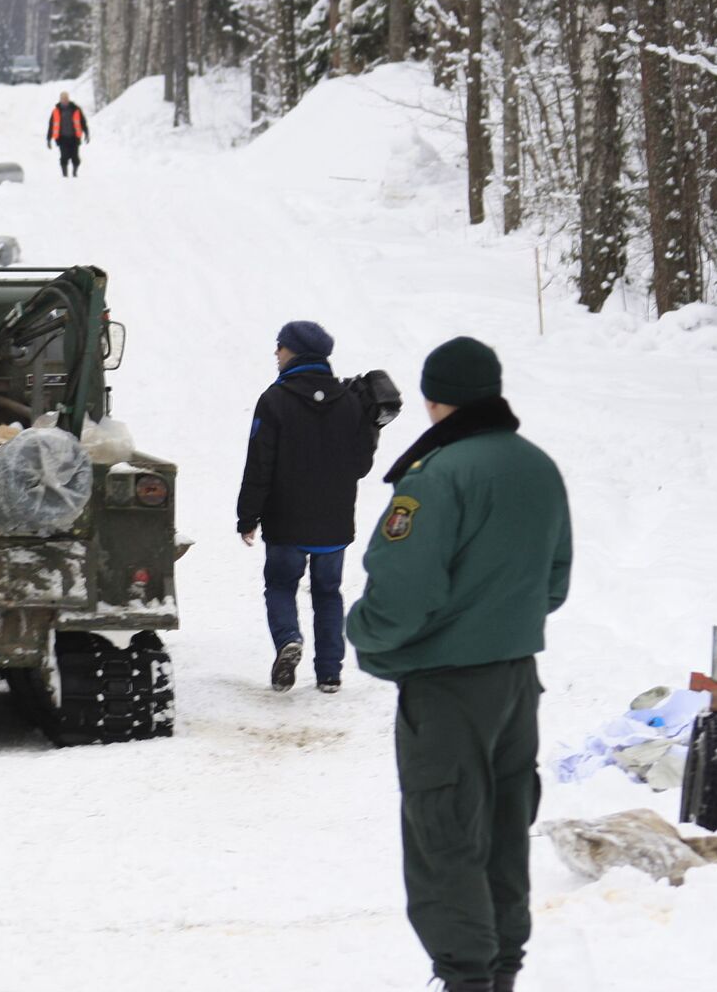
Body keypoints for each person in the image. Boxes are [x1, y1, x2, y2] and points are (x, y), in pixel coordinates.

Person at [345, 337, 571, 992]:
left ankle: (466, 979)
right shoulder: (539, 468)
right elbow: (553, 584)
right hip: (516, 680)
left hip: (447, 688)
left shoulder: (438, 477)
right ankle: (501, 974)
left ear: (433, 398)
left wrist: (367, 636)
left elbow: (401, 596)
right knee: (505, 829)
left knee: (444, 836)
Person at [236, 320, 379, 693]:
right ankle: (330, 673)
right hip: (334, 523)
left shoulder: (275, 400)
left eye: (280, 347)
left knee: (281, 585)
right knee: (328, 593)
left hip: (286, 522)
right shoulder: (350, 401)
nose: (276, 353)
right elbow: (361, 466)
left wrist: (247, 515)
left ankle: (288, 641)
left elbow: (260, 463)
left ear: (295, 352)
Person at [46, 91, 90, 178]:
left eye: (66, 99)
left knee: (75, 157)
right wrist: (48, 139)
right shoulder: (56, 111)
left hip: (74, 138)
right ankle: (65, 175)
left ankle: (74, 173)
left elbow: (83, 122)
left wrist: (86, 133)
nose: (64, 100)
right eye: (63, 99)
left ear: (68, 99)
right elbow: (51, 126)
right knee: (64, 157)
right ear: (60, 100)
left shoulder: (76, 109)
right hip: (62, 138)